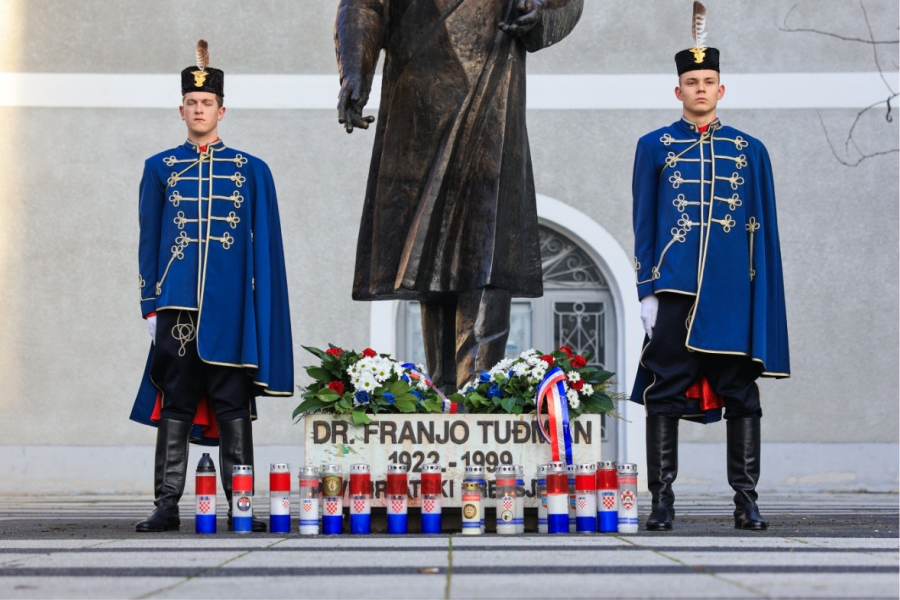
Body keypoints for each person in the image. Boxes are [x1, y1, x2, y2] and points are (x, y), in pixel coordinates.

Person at [334, 0, 583, 392]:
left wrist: (541, 14)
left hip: (492, 86)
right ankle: (446, 392)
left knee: (485, 244)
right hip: (417, 100)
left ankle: (477, 393)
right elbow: (364, 5)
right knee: (428, 252)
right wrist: (354, 69)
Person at [630, 3, 790, 532]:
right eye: (691, 81)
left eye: (709, 81)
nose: (700, 88)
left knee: (741, 393)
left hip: (731, 296)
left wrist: (760, 300)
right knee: (663, 393)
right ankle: (663, 502)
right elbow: (645, 222)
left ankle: (745, 502)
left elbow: (762, 232)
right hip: (675, 291)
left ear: (722, 90)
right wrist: (647, 290)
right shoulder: (653, 147)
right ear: (678, 91)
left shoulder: (751, 151)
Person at [130, 40, 293, 532]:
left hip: (230, 309)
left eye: (207, 104)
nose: (199, 110)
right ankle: (166, 505)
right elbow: (149, 238)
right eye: (191, 103)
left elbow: (265, 249)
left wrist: (259, 312)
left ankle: (240, 507)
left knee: (232, 404)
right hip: (177, 306)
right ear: (181, 109)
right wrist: (150, 304)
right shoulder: (159, 168)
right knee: (176, 401)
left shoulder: (251, 170)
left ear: (222, 109)